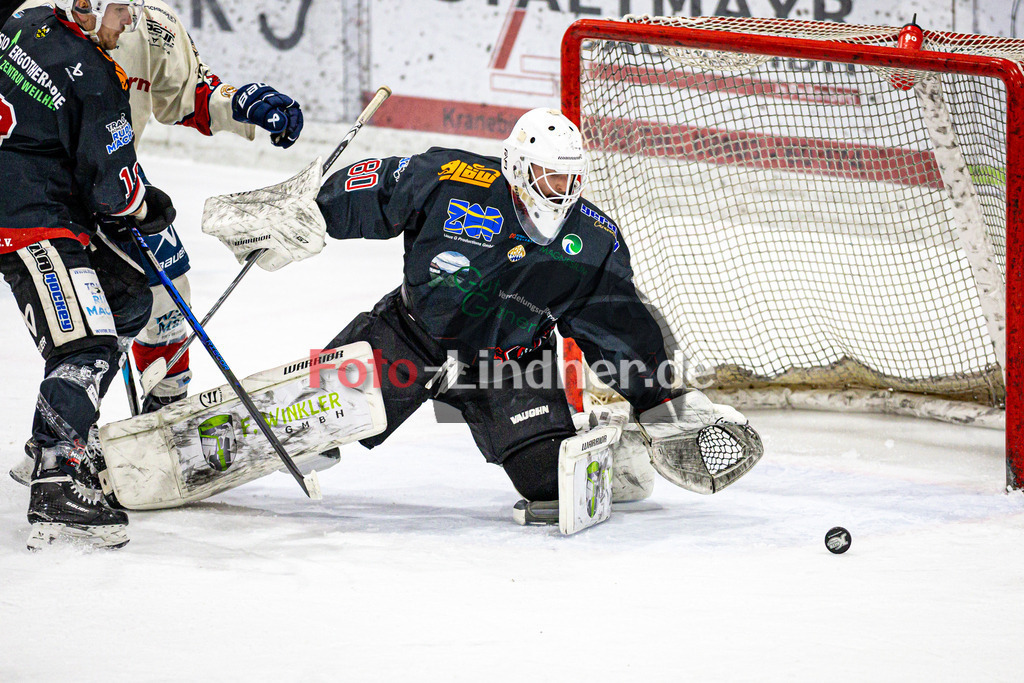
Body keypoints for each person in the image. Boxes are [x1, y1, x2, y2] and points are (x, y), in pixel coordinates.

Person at [312, 108, 755, 510]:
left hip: (511, 367)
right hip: (410, 336)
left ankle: (618, 445)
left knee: (551, 484)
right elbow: (375, 188)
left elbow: (617, 328)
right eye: (549, 175)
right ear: (518, 166)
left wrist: (660, 401)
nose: (562, 189)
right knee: (308, 422)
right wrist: (309, 212)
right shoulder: (450, 177)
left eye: (570, 177)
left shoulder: (593, 239)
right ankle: (306, 428)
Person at [6, 0, 305, 486]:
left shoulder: (152, 28)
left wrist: (243, 102)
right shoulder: (41, 20)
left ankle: (163, 413)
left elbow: (194, 97)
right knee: (86, 326)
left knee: (169, 295)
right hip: (54, 192)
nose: (132, 16)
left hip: (115, 179)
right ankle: (61, 446)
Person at [0, 0, 176, 549]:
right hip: (30, 223)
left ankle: (63, 434)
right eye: (124, 11)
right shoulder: (95, 78)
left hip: (32, 193)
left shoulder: (23, 23)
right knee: (85, 345)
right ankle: (55, 478)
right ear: (90, 7)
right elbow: (116, 195)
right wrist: (149, 209)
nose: (130, 24)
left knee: (126, 300)